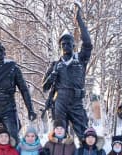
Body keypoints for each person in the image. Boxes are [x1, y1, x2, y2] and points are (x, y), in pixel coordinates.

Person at [41, 2, 92, 141]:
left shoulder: (80, 59)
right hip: (60, 102)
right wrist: (52, 75)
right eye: (63, 44)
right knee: (59, 135)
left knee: (84, 135)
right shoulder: (55, 65)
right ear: (59, 47)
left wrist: (79, 20)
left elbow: (88, 44)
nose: (65, 45)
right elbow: (44, 87)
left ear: (73, 45)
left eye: (68, 43)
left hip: (76, 101)